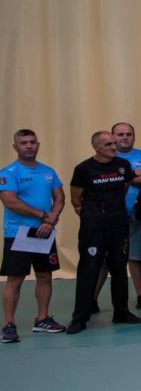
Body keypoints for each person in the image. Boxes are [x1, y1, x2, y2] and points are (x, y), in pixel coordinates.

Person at [67, 131, 141, 333]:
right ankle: (80, 317)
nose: (114, 147)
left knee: (119, 268)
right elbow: (75, 198)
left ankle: (121, 312)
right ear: (96, 147)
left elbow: (125, 187)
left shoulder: (123, 165)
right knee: (88, 270)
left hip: (119, 225)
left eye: (114, 143)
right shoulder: (83, 169)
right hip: (93, 228)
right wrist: (91, 214)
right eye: (108, 144)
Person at [1, 129, 66, 341]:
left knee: (45, 276)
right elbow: (10, 201)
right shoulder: (9, 172)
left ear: (37, 145)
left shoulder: (48, 171)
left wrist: (49, 220)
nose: (29, 146)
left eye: (32, 142)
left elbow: (59, 197)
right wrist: (43, 215)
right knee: (15, 279)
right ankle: (9, 325)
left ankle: (42, 319)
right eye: (24, 143)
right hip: (18, 232)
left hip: (44, 231)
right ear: (15, 147)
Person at [110, 122, 141, 312]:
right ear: (113, 137)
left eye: (128, 134)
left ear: (134, 136)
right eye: (120, 134)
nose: (125, 137)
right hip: (112, 216)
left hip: (139, 215)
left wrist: (124, 177)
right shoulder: (107, 157)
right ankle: (91, 300)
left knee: (139, 257)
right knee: (108, 261)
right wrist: (134, 176)